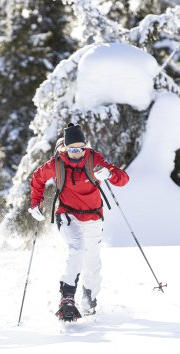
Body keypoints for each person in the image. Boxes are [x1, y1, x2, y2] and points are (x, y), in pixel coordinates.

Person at [28, 123, 129, 320]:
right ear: (65, 148)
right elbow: (37, 179)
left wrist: (109, 174)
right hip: (67, 214)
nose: (76, 153)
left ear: (85, 146)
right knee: (77, 248)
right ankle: (67, 297)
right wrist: (35, 204)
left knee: (92, 259)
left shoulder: (94, 160)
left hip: (93, 216)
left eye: (80, 148)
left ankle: (89, 298)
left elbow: (124, 179)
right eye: (72, 149)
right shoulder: (56, 164)